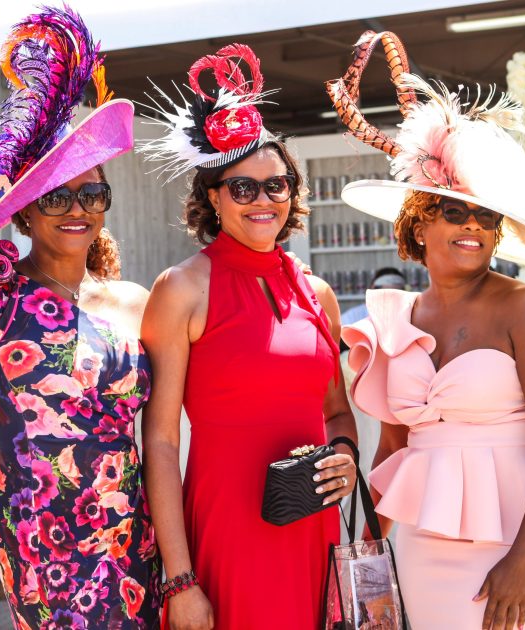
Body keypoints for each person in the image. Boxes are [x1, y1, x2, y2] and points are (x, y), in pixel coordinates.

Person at [327, 30, 525, 630]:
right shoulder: (394, 317)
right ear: (418, 226)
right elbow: (394, 446)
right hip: (424, 540)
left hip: (516, 539)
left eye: (485, 217)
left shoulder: (523, 308)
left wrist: (524, 559)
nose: (472, 228)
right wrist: (366, 559)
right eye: (453, 211)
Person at [0, 7, 161, 627]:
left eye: (91, 193)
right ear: (26, 211)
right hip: (42, 541)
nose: (76, 208)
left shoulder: (136, 302)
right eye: (56, 195)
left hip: (136, 536)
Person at [138, 44, 358, 628]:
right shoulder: (182, 288)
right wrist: (179, 578)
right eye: (243, 189)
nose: (264, 201)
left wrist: (345, 454)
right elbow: (159, 442)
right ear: (212, 196)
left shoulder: (318, 293)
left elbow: (336, 412)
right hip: (226, 531)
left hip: (314, 529)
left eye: (277, 185)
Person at [340, 267, 407, 327]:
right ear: (372, 291)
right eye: (386, 295)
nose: (391, 301)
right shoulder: (351, 318)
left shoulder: (409, 319)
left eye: (397, 296)